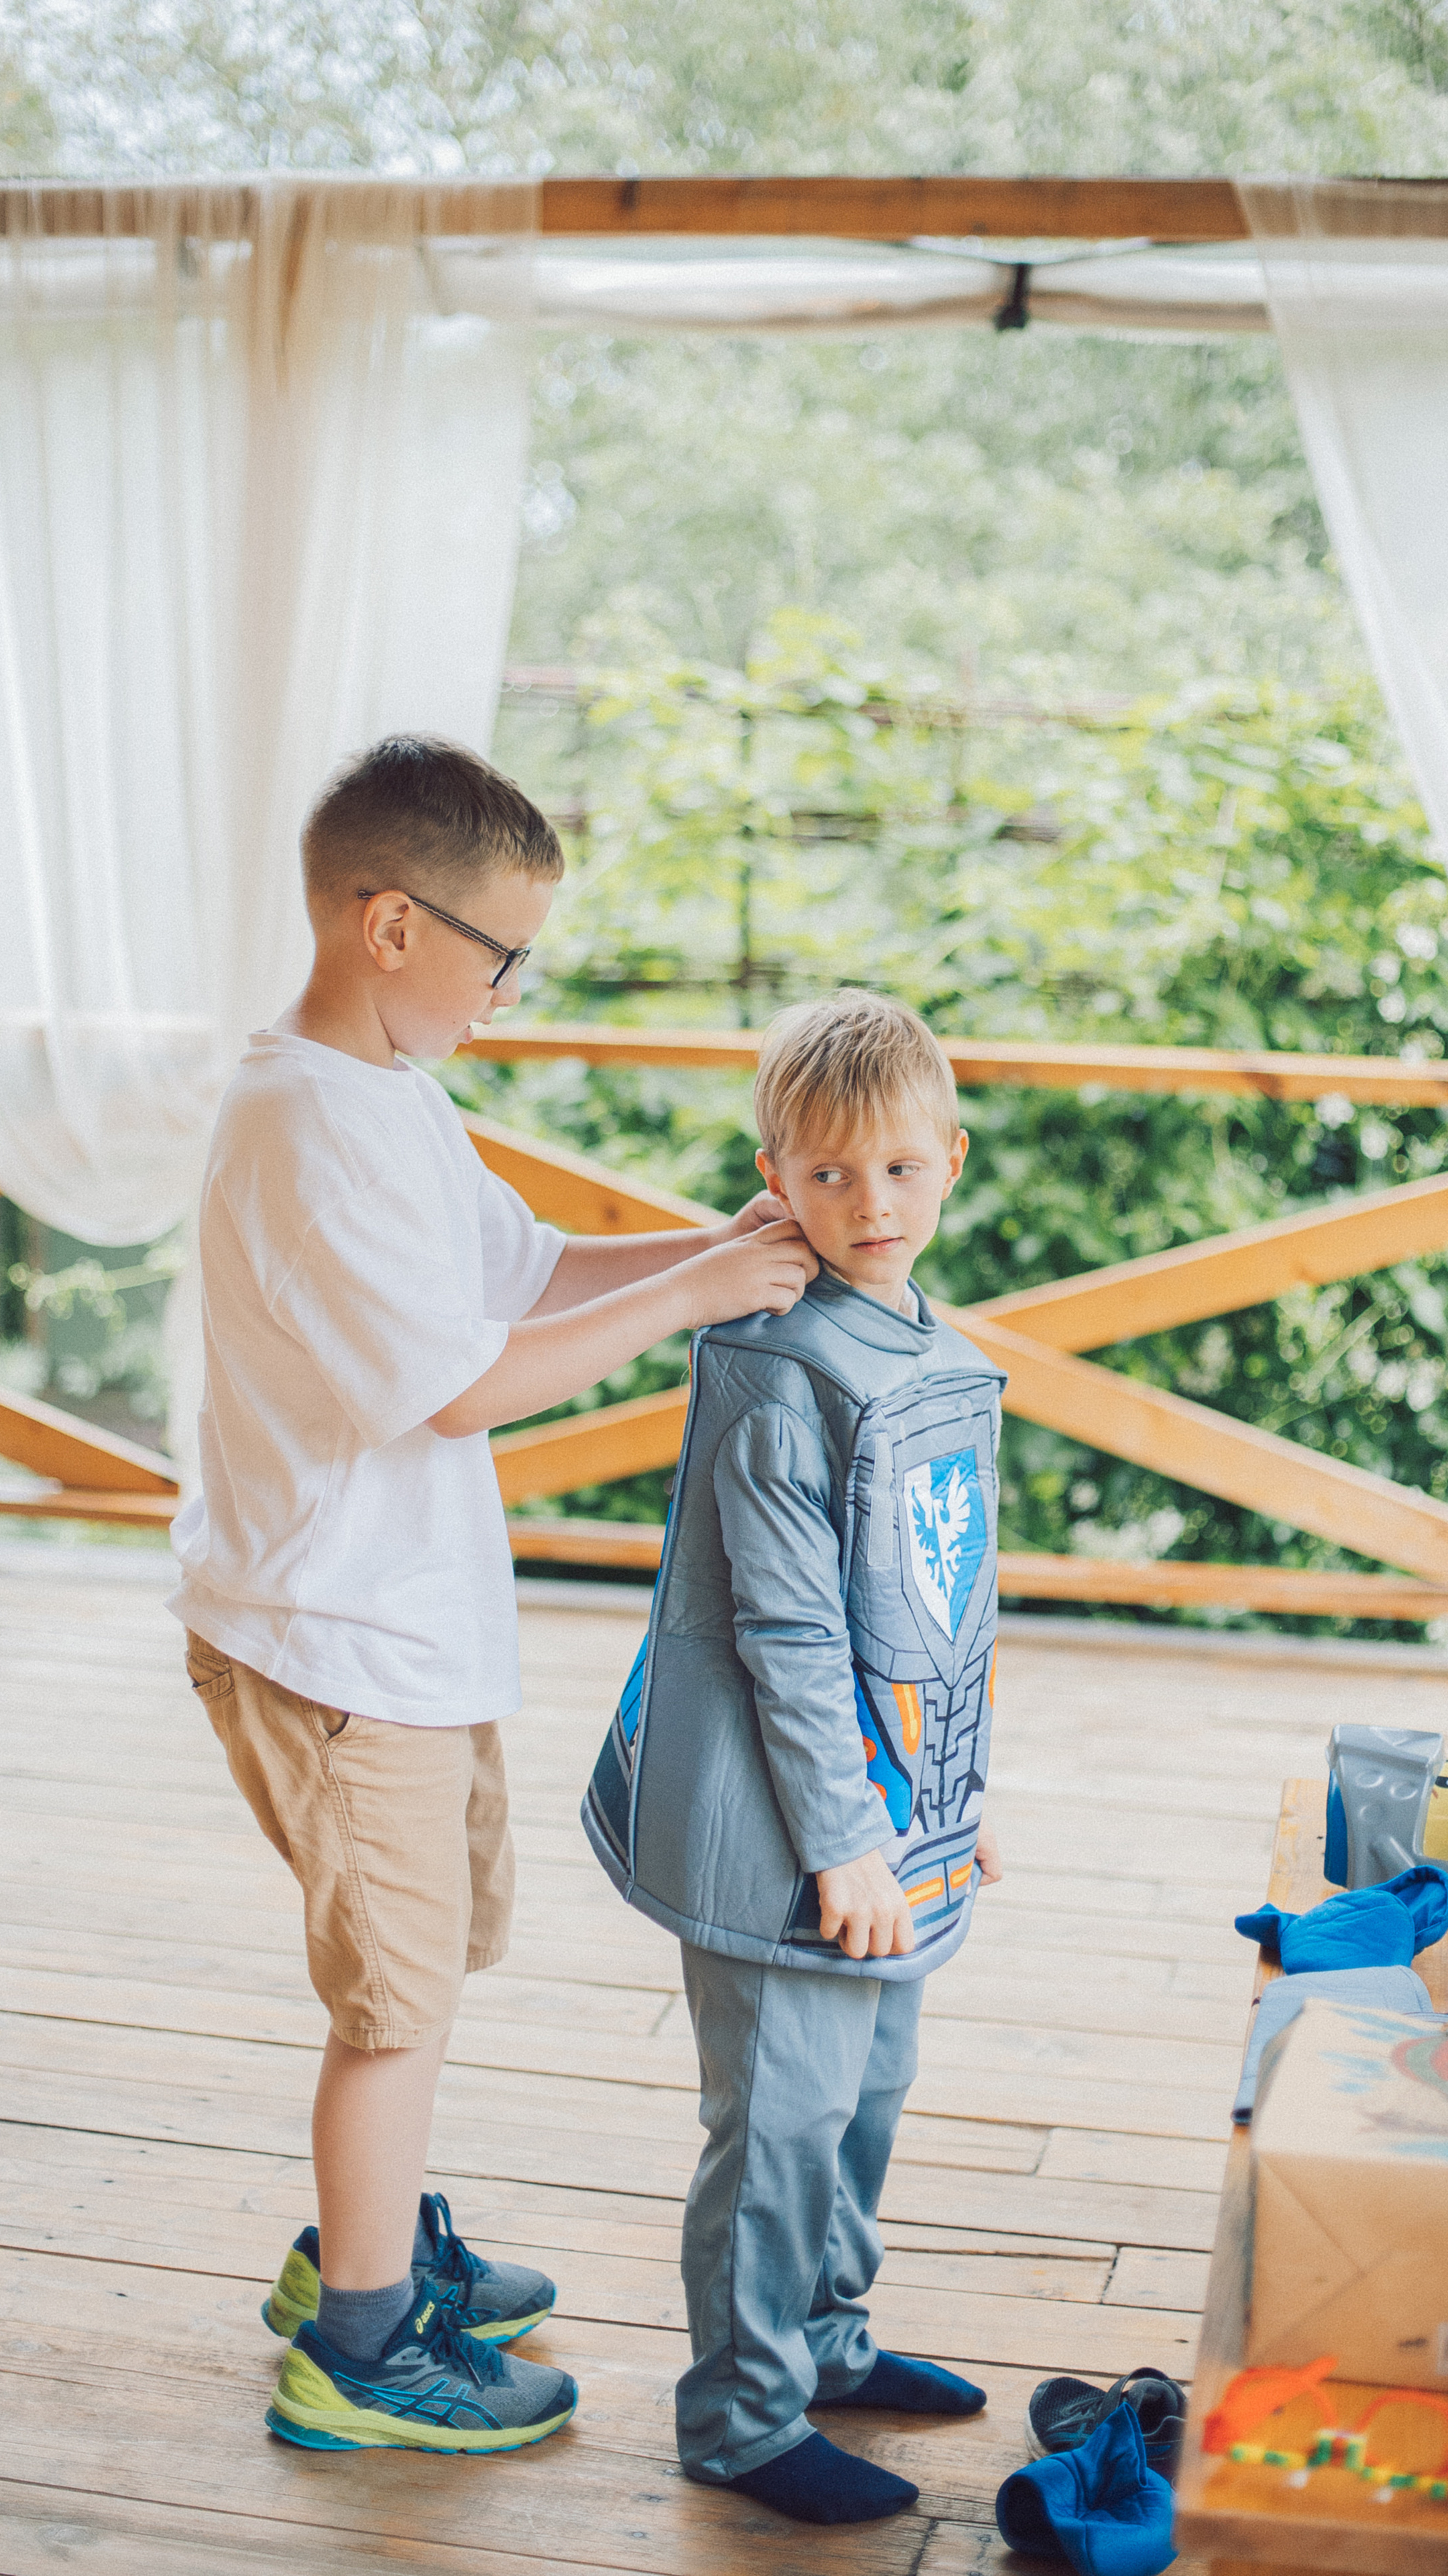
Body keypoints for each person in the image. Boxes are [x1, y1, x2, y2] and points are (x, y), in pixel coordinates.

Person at [169, 735, 818, 2457]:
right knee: (392, 2008)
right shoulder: (302, 1120)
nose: (510, 993)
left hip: (395, 1631)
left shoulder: (381, 1093)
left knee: (428, 1967)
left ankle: (366, 2253)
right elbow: (458, 1382)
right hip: (335, 1645)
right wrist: (702, 1292)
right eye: (498, 956)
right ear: (393, 926)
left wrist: (713, 1249)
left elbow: (523, 1271)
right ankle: (363, 2349)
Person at [581, 987, 1007, 2526]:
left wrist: (946, 1811)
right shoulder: (773, 1367)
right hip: (785, 1829)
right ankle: (743, 2415)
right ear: (774, 1174)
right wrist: (844, 1841)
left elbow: (928, 1616)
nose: (867, 1204)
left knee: (866, 2091)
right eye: (826, 1176)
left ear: (950, 1162)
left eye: (897, 1169)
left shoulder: (916, 1340)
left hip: (889, 1818)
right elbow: (790, 1632)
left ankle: (825, 2342)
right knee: (774, 2122)